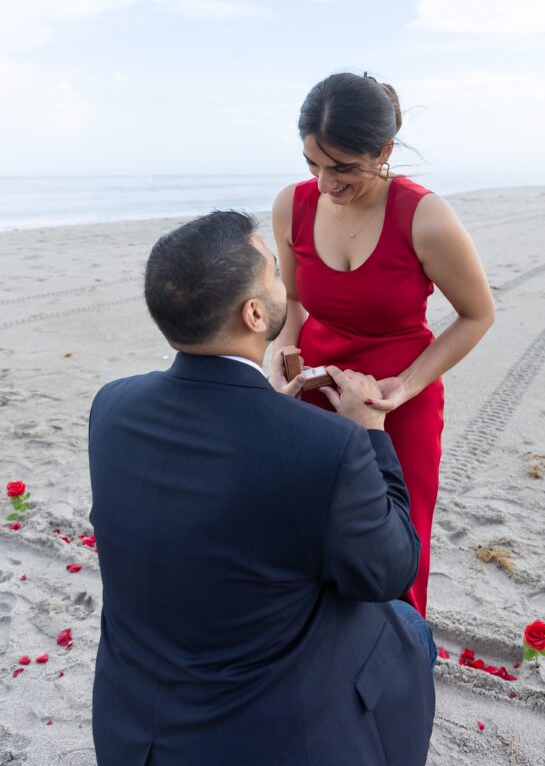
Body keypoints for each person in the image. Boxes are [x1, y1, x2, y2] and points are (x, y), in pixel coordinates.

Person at [88, 210, 436, 766]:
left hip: (134, 727)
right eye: (275, 274)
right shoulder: (330, 448)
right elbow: (390, 570)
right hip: (264, 739)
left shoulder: (112, 406)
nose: (285, 284)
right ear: (255, 313)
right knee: (410, 626)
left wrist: (273, 412)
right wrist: (371, 435)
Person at [271, 72, 495, 616]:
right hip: (315, 390)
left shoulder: (426, 216)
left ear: (385, 150)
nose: (325, 183)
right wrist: (277, 358)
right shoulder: (291, 205)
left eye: (343, 167)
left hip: (398, 396)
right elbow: (293, 304)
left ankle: (401, 656)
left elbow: (477, 314)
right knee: (308, 530)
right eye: (313, 164)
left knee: (397, 537)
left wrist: (406, 387)